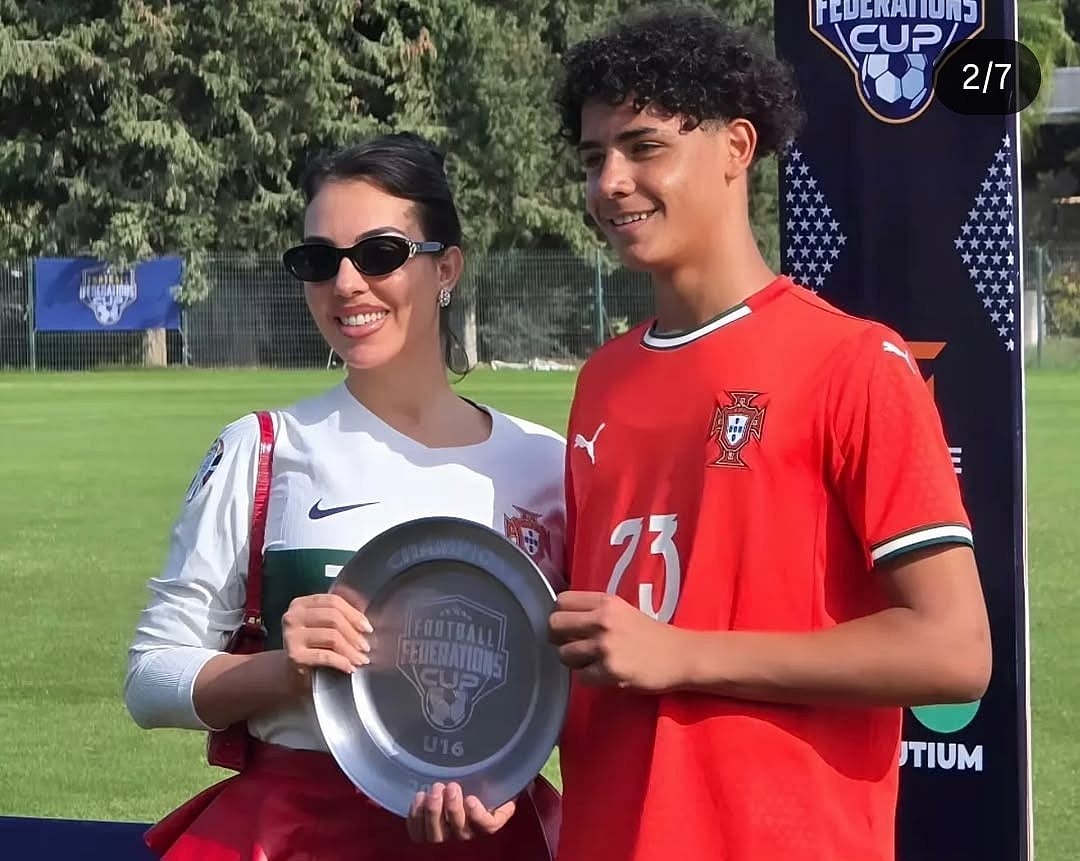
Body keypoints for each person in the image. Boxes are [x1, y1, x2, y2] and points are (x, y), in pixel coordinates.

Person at [411, 7, 993, 861]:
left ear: (736, 148)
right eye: (592, 156)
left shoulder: (852, 361)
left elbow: (952, 650)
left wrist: (683, 654)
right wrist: (490, 764)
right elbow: (598, 641)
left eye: (644, 147)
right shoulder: (602, 382)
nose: (610, 181)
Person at [124, 131, 567, 861]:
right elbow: (150, 678)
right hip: (295, 832)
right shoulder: (262, 446)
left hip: (487, 840)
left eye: (381, 254)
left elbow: (581, 687)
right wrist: (282, 668)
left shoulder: (546, 465)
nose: (348, 283)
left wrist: (500, 772)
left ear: (447, 267)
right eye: (319, 260)